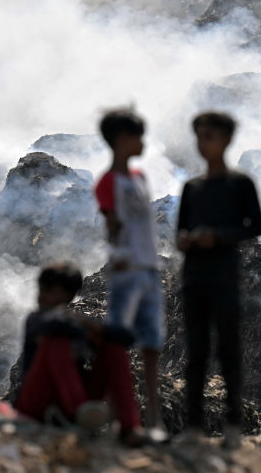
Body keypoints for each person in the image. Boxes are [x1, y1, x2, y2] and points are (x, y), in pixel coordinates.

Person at [176, 111, 261, 450]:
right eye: (199, 136)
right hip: (194, 278)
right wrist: (187, 241)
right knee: (196, 353)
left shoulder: (240, 184)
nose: (203, 143)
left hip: (225, 277)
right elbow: (180, 233)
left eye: (209, 136)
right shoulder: (191, 188)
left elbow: (254, 226)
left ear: (227, 139)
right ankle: (194, 428)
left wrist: (219, 237)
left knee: (229, 351)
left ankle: (232, 426)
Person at [13, 262, 146, 446]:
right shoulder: (36, 320)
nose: (42, 294)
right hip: (37, 400)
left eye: (50, 289)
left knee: (113, 348)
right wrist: (88, 330)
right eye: (41, 288)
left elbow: (125, 338)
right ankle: (79, 411)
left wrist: (98, 332)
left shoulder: (76, 322)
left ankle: (129, 426)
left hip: (72, 401)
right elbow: (54, 327)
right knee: (56, 342)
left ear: (68, 295)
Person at [94, 108, 166, 437]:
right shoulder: (110, 182)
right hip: (127, 270)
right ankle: (120, 416)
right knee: (118, 342)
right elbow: (112, 225)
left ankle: (152, 417)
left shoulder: (139, 179)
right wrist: (119, 255)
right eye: (137, 136)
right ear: (122, 140)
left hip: (148, 268)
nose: (142, 142)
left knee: (151, 342)